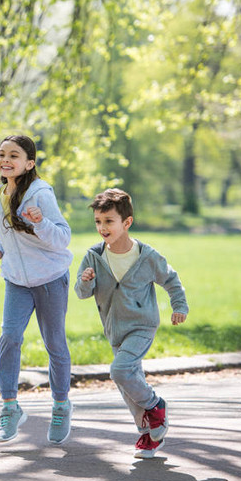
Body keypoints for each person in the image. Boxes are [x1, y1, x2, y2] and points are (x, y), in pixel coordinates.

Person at [74, 188, 189, 459]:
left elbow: (171, 280)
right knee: (127, 383)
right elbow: (81, 293)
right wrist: (85, 281)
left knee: (120, 370)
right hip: (115, 329)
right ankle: (148, 433)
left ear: (126, 223)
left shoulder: (147, 256)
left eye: (109, 221)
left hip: (142, 325)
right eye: (98, 222)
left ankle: (155, 405)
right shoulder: (94, 255)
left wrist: (179, 306)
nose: (102, 227)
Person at [0, 135, 73, 445]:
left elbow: (63, 237)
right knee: (9, 338)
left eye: (14, 155)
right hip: (17, 282)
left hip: (50, 279)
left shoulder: (40, 193)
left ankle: (61, 406)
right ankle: (10, 407)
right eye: (2, 154)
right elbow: (8, 235)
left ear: (29, 163)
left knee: (54, 343)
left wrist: (39, 223)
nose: (5, 159)